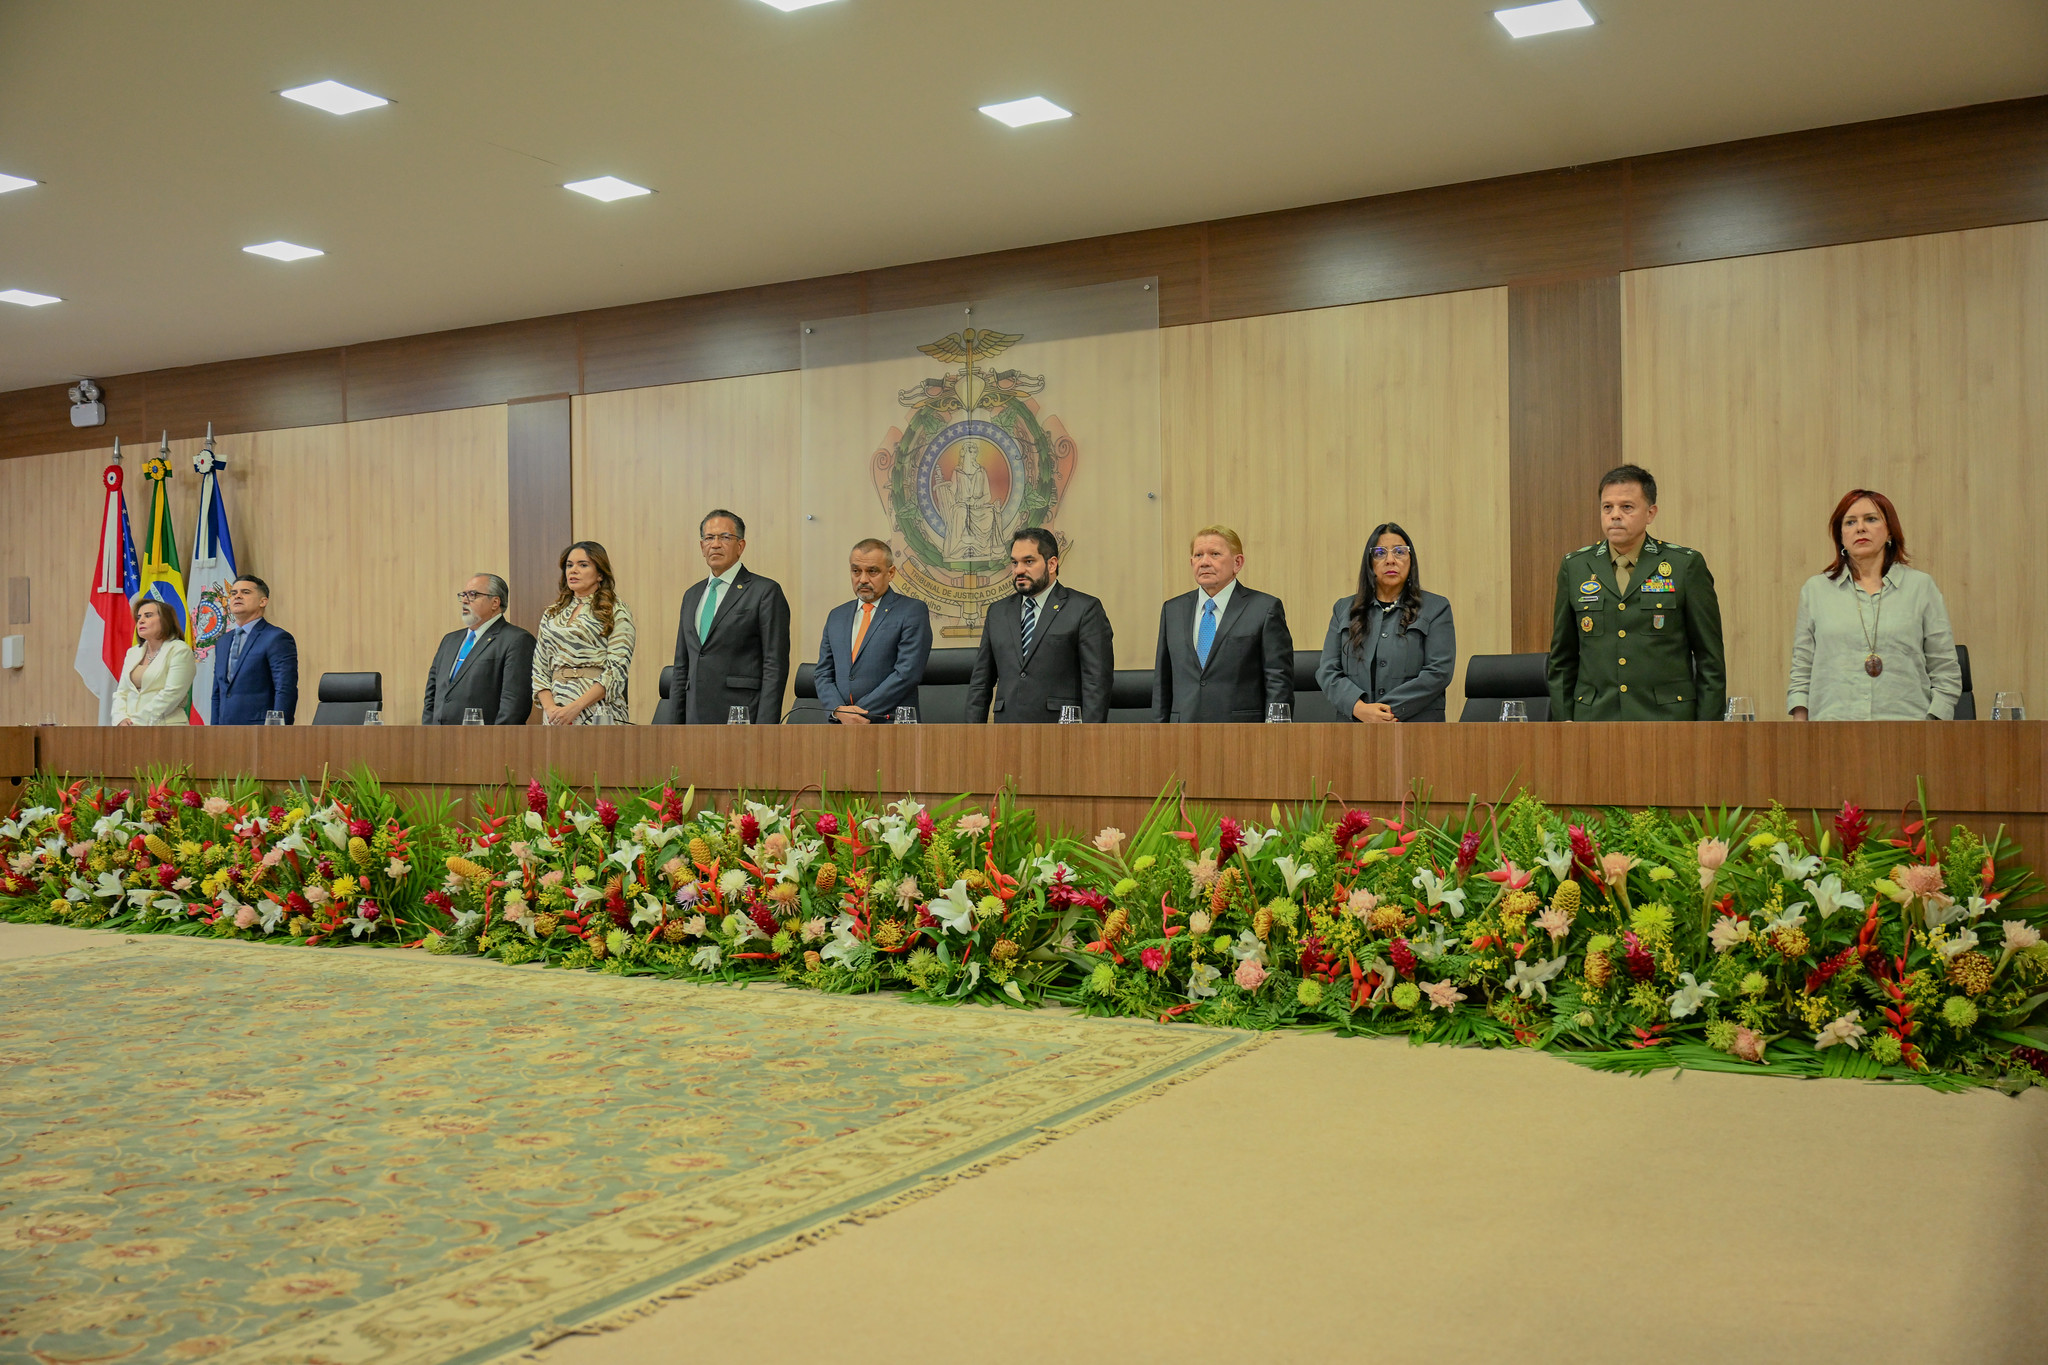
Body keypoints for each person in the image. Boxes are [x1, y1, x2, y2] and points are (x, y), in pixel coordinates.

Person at [1548, 464, 1725, 722]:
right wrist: (1564, 725)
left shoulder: (1684, 565)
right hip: (1594, 720)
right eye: (1607, 507)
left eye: (1627, 507)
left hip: (1667, 721)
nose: (1615, 515)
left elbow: (1710, 660)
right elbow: (1562, 659)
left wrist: (1707, 731)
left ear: (1650, 513)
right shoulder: (1575, 567)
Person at [1788, 489, 1961, 721]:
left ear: (1890, 530)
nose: (1860, 528)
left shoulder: (1920, 587)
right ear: (1840, 536)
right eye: (1850, 522)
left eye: (1871, 519)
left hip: (1908, 729)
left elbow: (1945, 669)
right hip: (1831, 731)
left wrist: (1931, 725)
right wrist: (1801, 730)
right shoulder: (1816, 590)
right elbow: (1802, 670)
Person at [966, 527, 1114, 723]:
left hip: (1061, 732)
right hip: (1007, 731)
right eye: (1014, 562)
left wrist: (1090, 739)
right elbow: (980, 683)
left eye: (1028, 561)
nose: (1018, 570)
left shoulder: (1084, 609)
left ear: (1051, 564)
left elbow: (1097, 683)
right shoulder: (998, 612)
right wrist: (972, 736)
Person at [1153, 525, 1292, 723]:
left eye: (1215, 554)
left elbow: (1278, 680)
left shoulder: (1265, 608)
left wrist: (1276, 735)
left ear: (1237, 562)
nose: (1204, 562)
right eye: (1198, 555)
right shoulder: (1172, 610)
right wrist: (1159, 733)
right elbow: (1162, 681)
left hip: (1242, 733)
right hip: (1181, 733)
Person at [1316, 523, 1455, 722]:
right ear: (1369, 563)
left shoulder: (1436, 608)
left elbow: (1438, 672)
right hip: (1355, 727)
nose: (1390, 560)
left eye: (1400, 552)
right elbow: (1328, 671)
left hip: (1416, 728)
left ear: (1411, 560)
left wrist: (1383, 712)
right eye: (1380, 553)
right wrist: (1359, 708)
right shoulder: (1344, 609)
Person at [666, 509, 791, 724]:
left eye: (725, 537)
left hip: (741, 716)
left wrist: (766, 728)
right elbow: (681, 666)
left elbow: (775, 665)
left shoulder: (765, 592)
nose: (715, 544)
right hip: (694, 716)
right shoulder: (692, 595)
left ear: (740, 546)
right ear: (702, 546)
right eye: (709, 538)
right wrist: (672, 726)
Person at [813, 538, 932, 723]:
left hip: (890, 725)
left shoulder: (911, 611)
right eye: (856, 571)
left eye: (872, 571)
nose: (863, 579)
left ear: (891, 573)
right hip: (841, 725)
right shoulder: (836, 616)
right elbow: (823, 673)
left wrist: (859, 713)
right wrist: (838, 710)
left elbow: (907, 673)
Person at [532, 542, 636, 726]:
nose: (573, 570)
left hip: (599, 710)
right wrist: (551, 709)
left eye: (583, 565)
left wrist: (575, 708)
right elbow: (539, 669)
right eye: (569, 565)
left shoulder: (616, 610)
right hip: (555, 713)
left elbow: (616, 671)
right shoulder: (552, 613)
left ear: (600, 574)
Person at [423, 573, 537, 725]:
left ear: (495, 602)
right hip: (440, 741)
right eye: (463, 595)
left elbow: (514, 704)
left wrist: (495, 742)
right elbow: (432, 696)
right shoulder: (449, 641)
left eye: (472, 595)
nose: (464, 600)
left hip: (485, 743)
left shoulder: (517, 640)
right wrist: (429, 735)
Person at [211, 576, 299, 725]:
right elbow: (218, 693)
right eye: (233, 593)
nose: (237, 596)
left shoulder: (277, 638)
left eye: (245, 592)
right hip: (224, 731)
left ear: (263, 601)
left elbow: (285, 689)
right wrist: (213, 731)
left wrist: (279, 731)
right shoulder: (223, 641)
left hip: (260, 731)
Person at [112, 598, 195, 726]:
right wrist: (120, 718)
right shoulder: (133, 653)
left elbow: (171, 694)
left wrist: (137, 722)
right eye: (139, 617)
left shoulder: (179, 650)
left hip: (166, 728)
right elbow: (121, 692)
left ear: (165, 620)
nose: (141, 620)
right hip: (129, 730)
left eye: (148, 616)